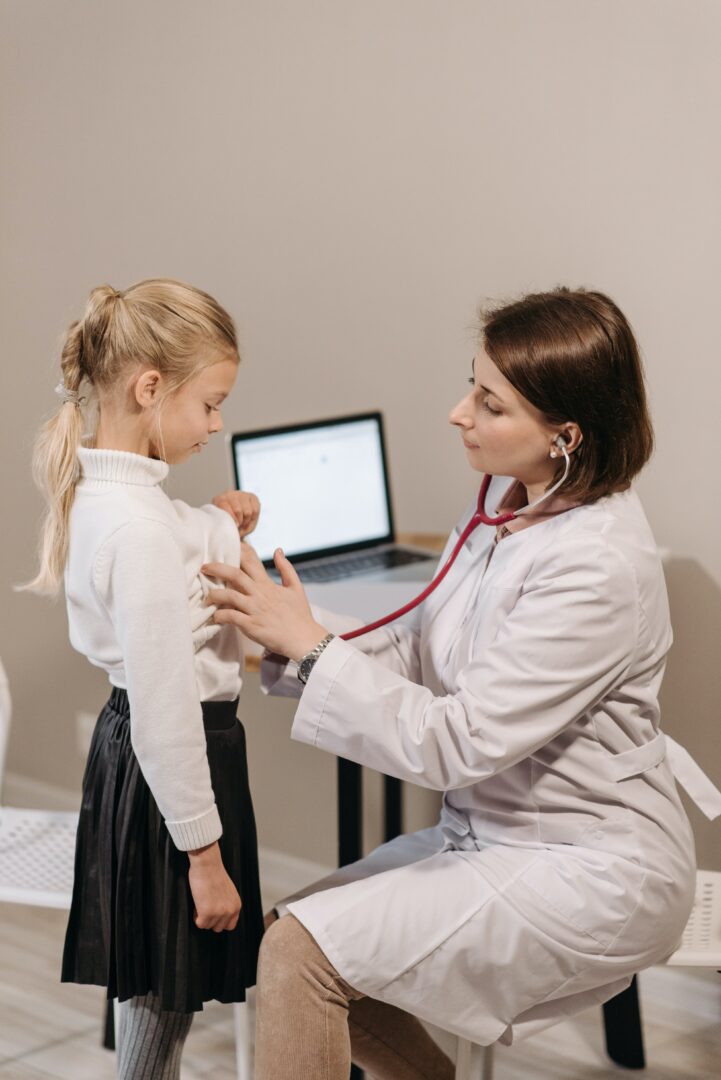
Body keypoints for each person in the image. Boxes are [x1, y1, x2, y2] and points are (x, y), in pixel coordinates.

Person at [202, 287, 721, 1080]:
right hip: (495, 833)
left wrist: (311, 649)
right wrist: (297, 636)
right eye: (469, 387)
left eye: (488, 403)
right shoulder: (503, 500)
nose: (457, 413)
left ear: (564, 436)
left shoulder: (597, 566)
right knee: (297, 932)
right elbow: (422, 647)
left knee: (300, 954)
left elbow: (458, 740)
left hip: (589, 866)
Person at [23, 279, 265, 1079]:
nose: (217, 424)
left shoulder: (119, 500)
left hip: (147, 760)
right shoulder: (134, 530)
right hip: (176, 763)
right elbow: (167, 711)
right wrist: (205, 858)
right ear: (150, 387)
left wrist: (224, 525)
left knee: (161, 993)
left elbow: (176, 532)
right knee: (165, 996)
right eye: (210, 403)